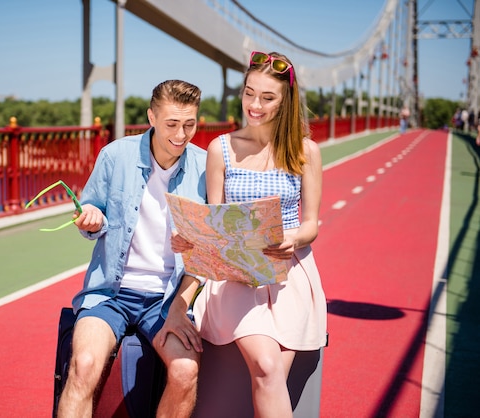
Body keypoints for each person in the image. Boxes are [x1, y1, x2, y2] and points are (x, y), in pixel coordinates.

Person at [58, 80, 206, 418]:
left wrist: (181, 308)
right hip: (111, 293)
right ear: (151, 117)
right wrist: (90, 219)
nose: (182, 135)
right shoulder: (115, 155)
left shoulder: (206, 166)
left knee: (185, 371)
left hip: (169, 298)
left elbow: (208, 254)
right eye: (172, 124)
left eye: (190, 124)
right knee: (83, 365)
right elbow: (90, 214)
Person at [190, 51, 327, 417]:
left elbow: (311, 224)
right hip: (236, 275)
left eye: (267, 98)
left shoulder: (306, 152)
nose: (254, 104)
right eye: (249, 93)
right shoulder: (220, 149)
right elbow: (214, 221)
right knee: (267, 367)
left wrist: (294, 238)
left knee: (272, 377)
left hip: (289, 276)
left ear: (286, 101)